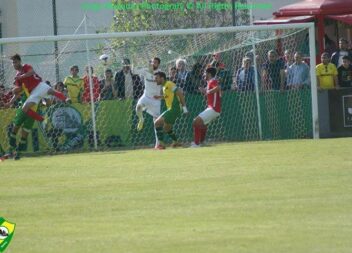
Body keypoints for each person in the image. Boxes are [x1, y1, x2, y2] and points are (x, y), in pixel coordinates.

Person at [154, 71, 188, 149]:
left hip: (174, 109)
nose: (155, 80)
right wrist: (160, 97)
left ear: (162, 78)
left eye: (156, 78)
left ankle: (161, 144)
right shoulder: (164, 86)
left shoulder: (169, 84)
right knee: (167, 128)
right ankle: (176, 142)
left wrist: (185, 108)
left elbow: (180, 93)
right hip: (172, 109)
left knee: (157, 123)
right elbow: (168, 96)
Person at [134, 57, 162, 148]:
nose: (154, 63)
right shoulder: (146, 70)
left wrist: (153, 74)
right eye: (153, 62)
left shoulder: (160, 73)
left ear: (158, 64)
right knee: (138, 107)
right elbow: (134, 71)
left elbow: (162, 83)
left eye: (156, 62)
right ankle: (141, 119)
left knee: (156, 123)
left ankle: (157, 144)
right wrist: (135, 62)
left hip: (156, 100)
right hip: (146, 97)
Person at [191, 67, 221, 148]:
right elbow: (216, 92)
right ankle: (201, 142)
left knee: (196, 121)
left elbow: (218, 88)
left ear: (209, 74)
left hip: (213, 108)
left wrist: (207, 91)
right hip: (213, 108)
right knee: (202, 124)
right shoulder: (209, 82)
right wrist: (204, 91)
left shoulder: (212, 81)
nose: (204, 74)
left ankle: (196, 144)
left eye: (205, 73)